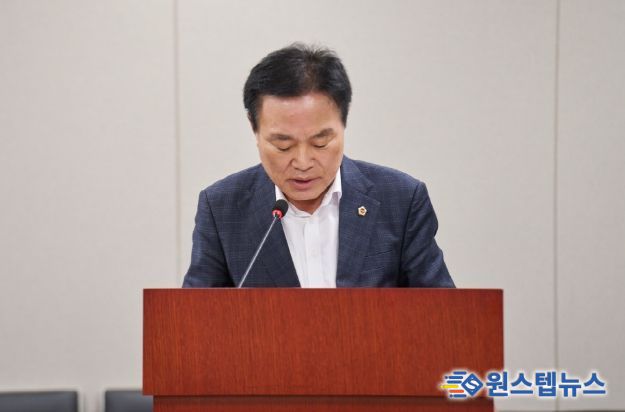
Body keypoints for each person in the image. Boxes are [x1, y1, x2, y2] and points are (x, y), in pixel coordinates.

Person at [182, 43, 454, 288]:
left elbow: (441, 315)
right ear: (254, 128)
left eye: (320, 143)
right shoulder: (222, 209)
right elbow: (196, 320)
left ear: (344, 124)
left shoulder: (401, 200)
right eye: (283, 145)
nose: (303, 163)